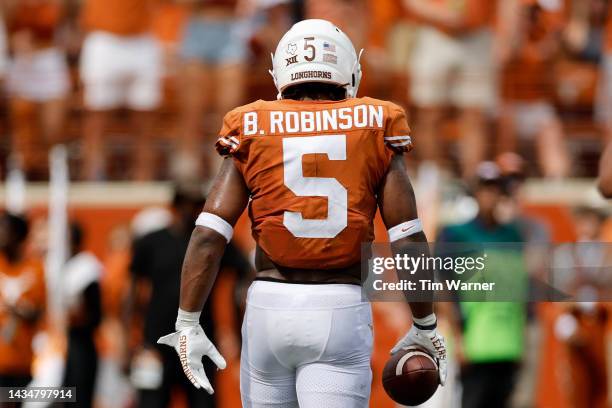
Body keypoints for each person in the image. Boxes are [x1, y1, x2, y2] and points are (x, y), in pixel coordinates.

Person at [157, 19, 447, 407]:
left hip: (268, 307)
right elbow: (407, 236)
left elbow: (209, 233)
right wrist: (424, 322)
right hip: (338, 306)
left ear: (281, 70)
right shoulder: (376, 121)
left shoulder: (252, 123)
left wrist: (187, 321)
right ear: (349, 68)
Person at [128, 185, 252, 408]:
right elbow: (133, 290)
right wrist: (129, 338)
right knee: (150, 402)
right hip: (156, 343)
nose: (192, 210)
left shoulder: (214, 242)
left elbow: (244, 274)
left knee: (202, 402)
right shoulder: (152, 242)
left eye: (197, 205)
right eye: (186, 204)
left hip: (199, 342)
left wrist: (236, 328)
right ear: (175, 206)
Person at [438, 162, 526, 408]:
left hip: (508, 344)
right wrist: (458, 338)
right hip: (475, 343)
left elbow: (516, 292)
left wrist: (523, 341)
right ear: (475, 192)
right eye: (485, 188)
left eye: (494, 188)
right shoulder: (456, 234)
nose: (490, 194)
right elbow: (444, 288)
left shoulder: (513, 235)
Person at [404, 0, 519, 178]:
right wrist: (441, 15)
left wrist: (507, 34)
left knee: (474, 115)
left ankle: (471, 181)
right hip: (435, 33)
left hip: (478, 35)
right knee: (428, 112)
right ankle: (435, 178)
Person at [79, 0, 162, 180]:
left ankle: (143, 181)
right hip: (104, 39)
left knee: (145, 120)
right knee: (96, 117)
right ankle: (92, 180)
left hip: (142, 40)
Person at [174, 0, 250, 180]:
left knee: (229, 104)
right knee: (192, 106)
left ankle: (223, 159)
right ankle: (187, 161)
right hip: (198, 29)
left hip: (231, 28)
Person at [498, 0, 570, 178]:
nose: (531, 17)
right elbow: (503, 58)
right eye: (526, 12)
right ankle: (505, 180)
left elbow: (552, 66)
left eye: (533, 13)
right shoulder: (502, 29)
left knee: (549, 129)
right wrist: (516, 30)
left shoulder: (545, 32)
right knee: (507, 123)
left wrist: (550, 40)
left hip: (536, 106)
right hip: (506, 106)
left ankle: (555, 184)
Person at [4, 0, 70, 179]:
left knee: (52, 130)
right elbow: (5, 30)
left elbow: (70, 29)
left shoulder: (60, 4)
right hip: (23, 63)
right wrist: (15, 42)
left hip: (50, 61)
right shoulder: (10, 4)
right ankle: (24, 172)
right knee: (23, 126)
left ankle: (47, 172)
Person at [0, 213, 46, 408]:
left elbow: (38, 313)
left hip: (20, 360)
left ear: (18, 235)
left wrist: (20, 311)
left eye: (4, 229)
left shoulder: (35, 269)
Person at [61, 222, 103, 408]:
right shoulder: (60, 264)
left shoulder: (86, 268)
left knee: (77, 396)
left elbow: (93, 313)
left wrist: (73, 318)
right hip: (61, 344)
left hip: (80, 343)